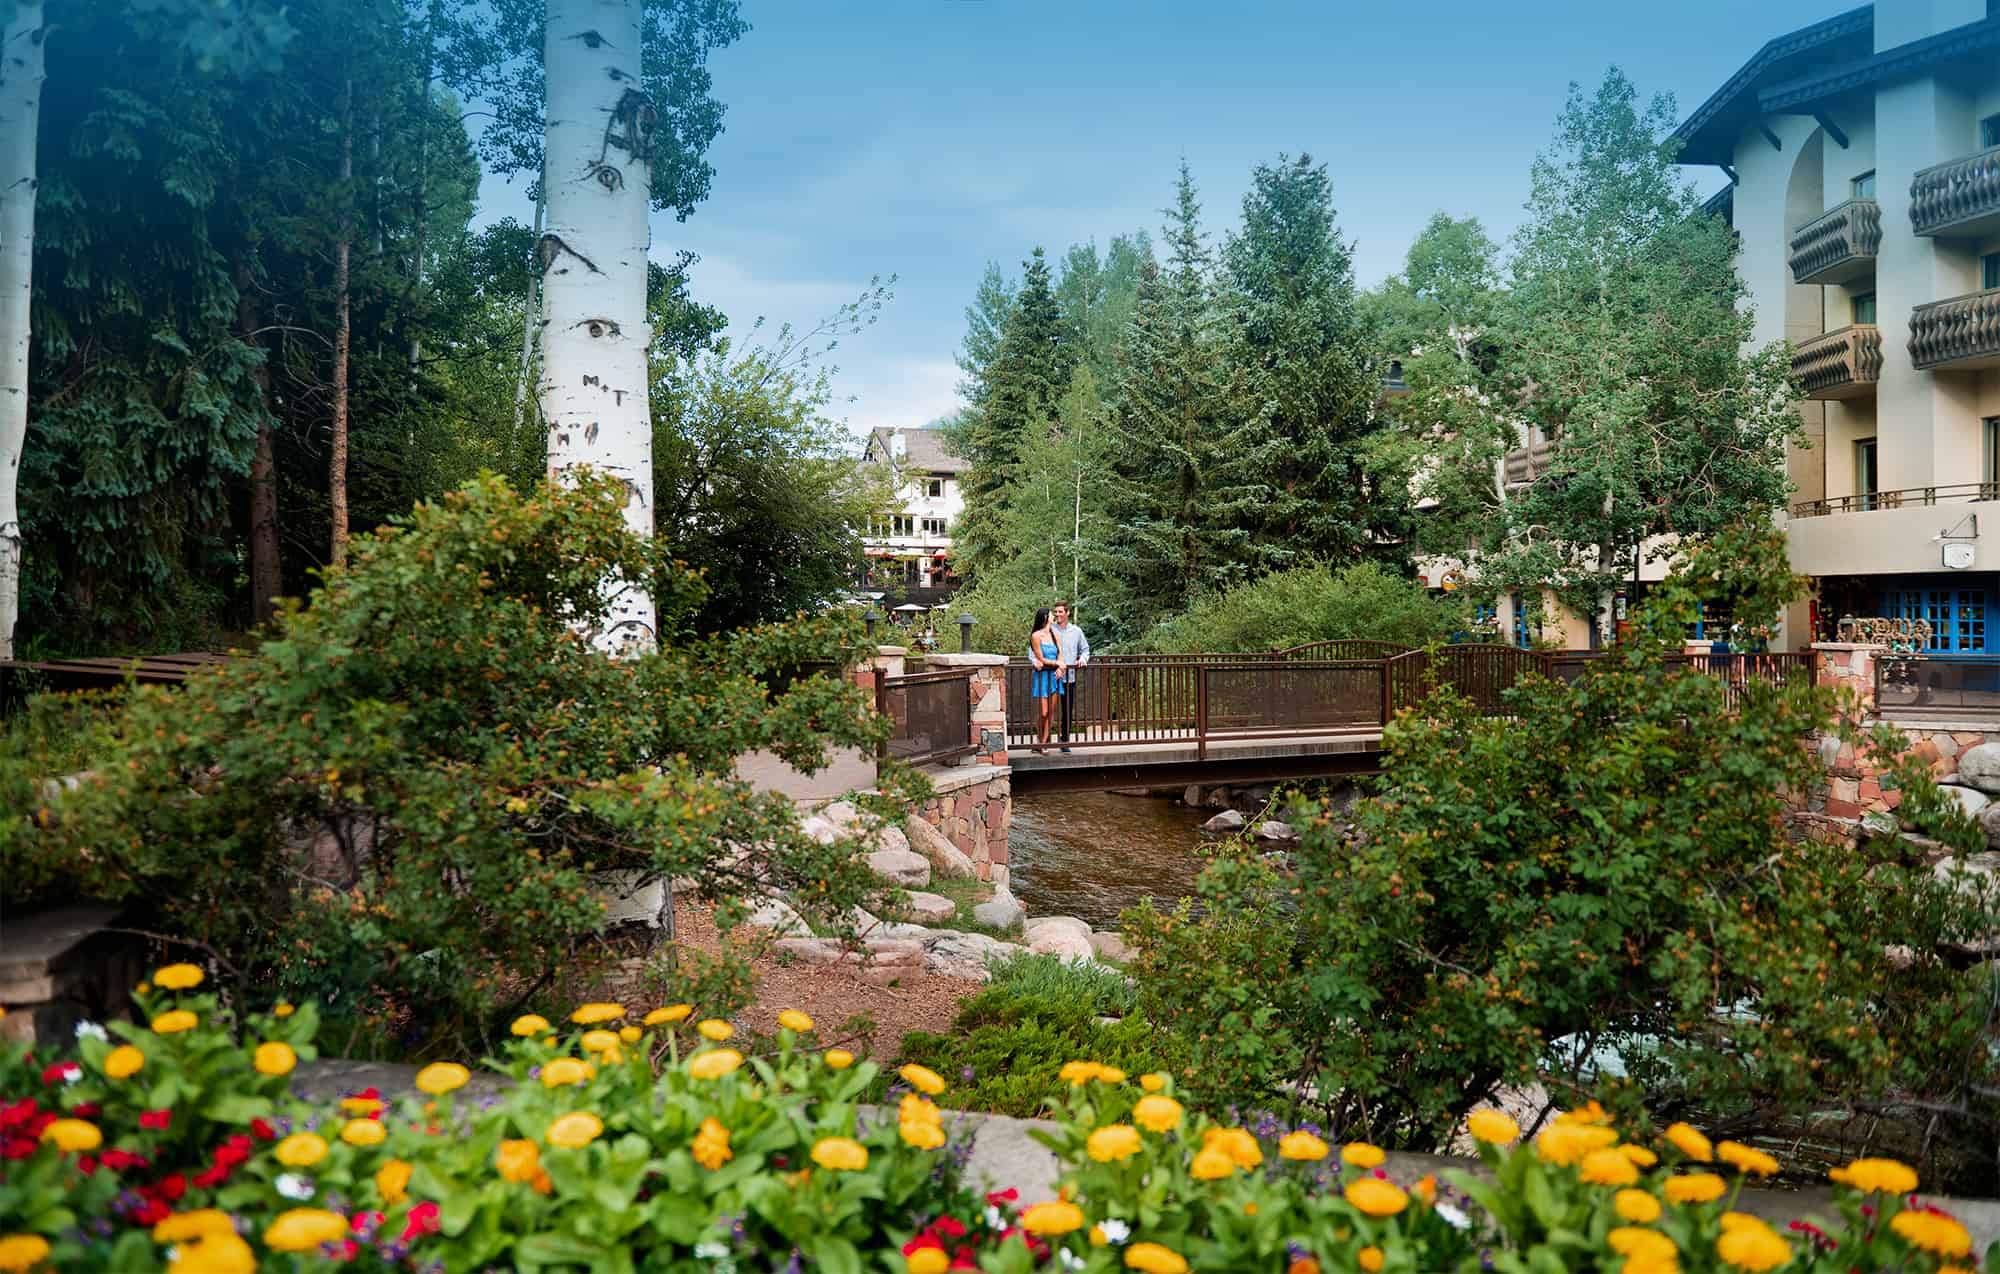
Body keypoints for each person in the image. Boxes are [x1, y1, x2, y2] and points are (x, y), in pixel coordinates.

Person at [1050, 601, 1090, 752]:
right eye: (1056, 612)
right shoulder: (1050, 629)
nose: (1057, 615)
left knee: (1067, 710)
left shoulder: (1076, 631)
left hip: (1069, 677)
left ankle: (1065, 741)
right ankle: (1043, 741)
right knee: (1047, 710)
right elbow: (1036, 647)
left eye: (1060, 612)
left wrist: (1082, 659)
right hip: (1051, 675)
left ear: (1067, 613)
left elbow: (1085, 649)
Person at [1027, 607, 1066, 753]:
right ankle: (1039, 738)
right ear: (1045, 617)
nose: (1054, 616)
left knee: (1051, 712)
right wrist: (1057, 664)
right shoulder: (1036, 636)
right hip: (1042, 675)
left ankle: (1043, 743)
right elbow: (1040, 658)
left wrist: (1060, 668)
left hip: (1054, 676)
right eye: (1051, 614)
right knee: (1043, 712)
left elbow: (1060, 654)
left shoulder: (1055, 634)